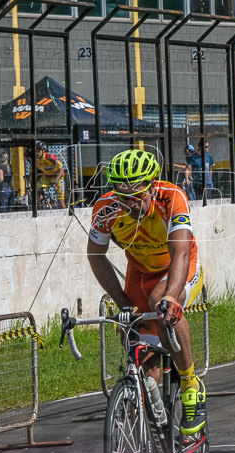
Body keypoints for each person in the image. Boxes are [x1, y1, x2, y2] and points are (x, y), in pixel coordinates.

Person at [87, 148, 207, 436]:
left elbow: (180, 253)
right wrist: (123, 304)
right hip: (140, 273)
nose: (130, 205)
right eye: (123, 198)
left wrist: (170, 297)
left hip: (180, 266)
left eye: (137, 197)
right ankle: (152, 437)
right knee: (142, 352)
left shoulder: (172, 197)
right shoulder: (107, 207)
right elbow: (96, 255)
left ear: (152, 186)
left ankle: (191, 384)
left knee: (161, 305)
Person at [34, 142, 66, 209]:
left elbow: (61, 169)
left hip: (57, 177)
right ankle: (40, 204)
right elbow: (32, 172)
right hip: (47, 177)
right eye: (35, 151)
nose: (36, 153)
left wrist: (56, 181)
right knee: (37, 188)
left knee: (60, 201)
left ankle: (65, 214)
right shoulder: (36, 160)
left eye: (38, 151)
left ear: (43, 150)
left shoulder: (50, 157)